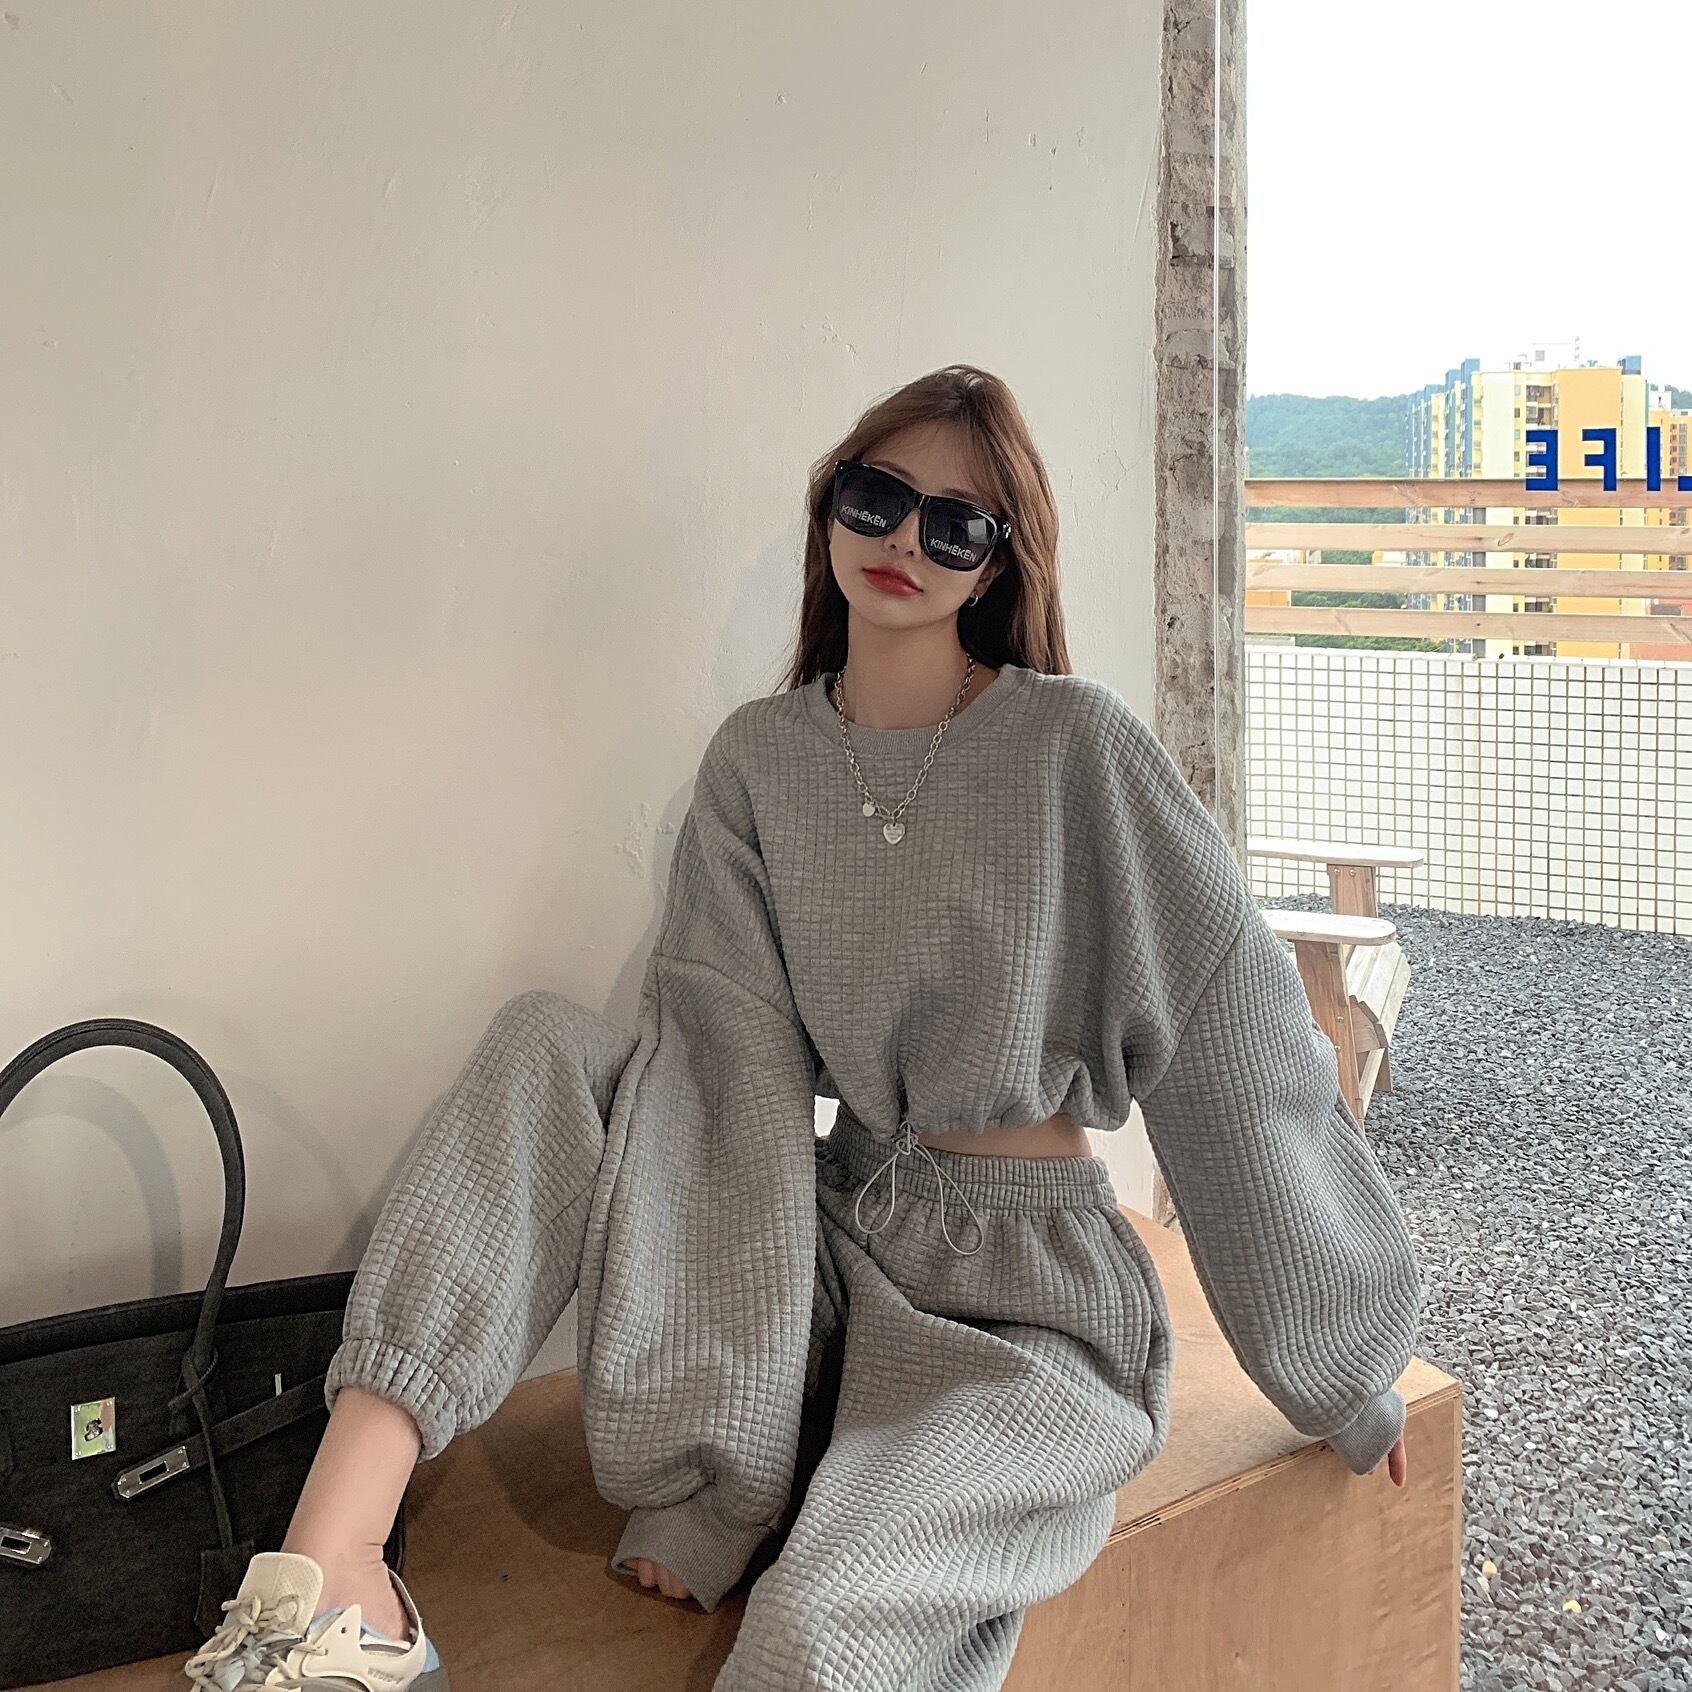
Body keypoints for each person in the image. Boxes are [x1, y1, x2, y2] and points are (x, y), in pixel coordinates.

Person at [181, 364, 1426, 1692]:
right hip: (837, 1255)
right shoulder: (758, 763)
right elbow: (727, 1084)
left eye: (957, 523)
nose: (906, 542)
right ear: (831, 504)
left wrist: (1343, 1365)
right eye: (878, 497)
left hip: (1026, 1315)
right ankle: (335, 1570)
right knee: (553, 1043)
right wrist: (709, 1490)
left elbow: (1232, 1034)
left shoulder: (1075, 748)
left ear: (1001, 559)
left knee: (820, 1634)